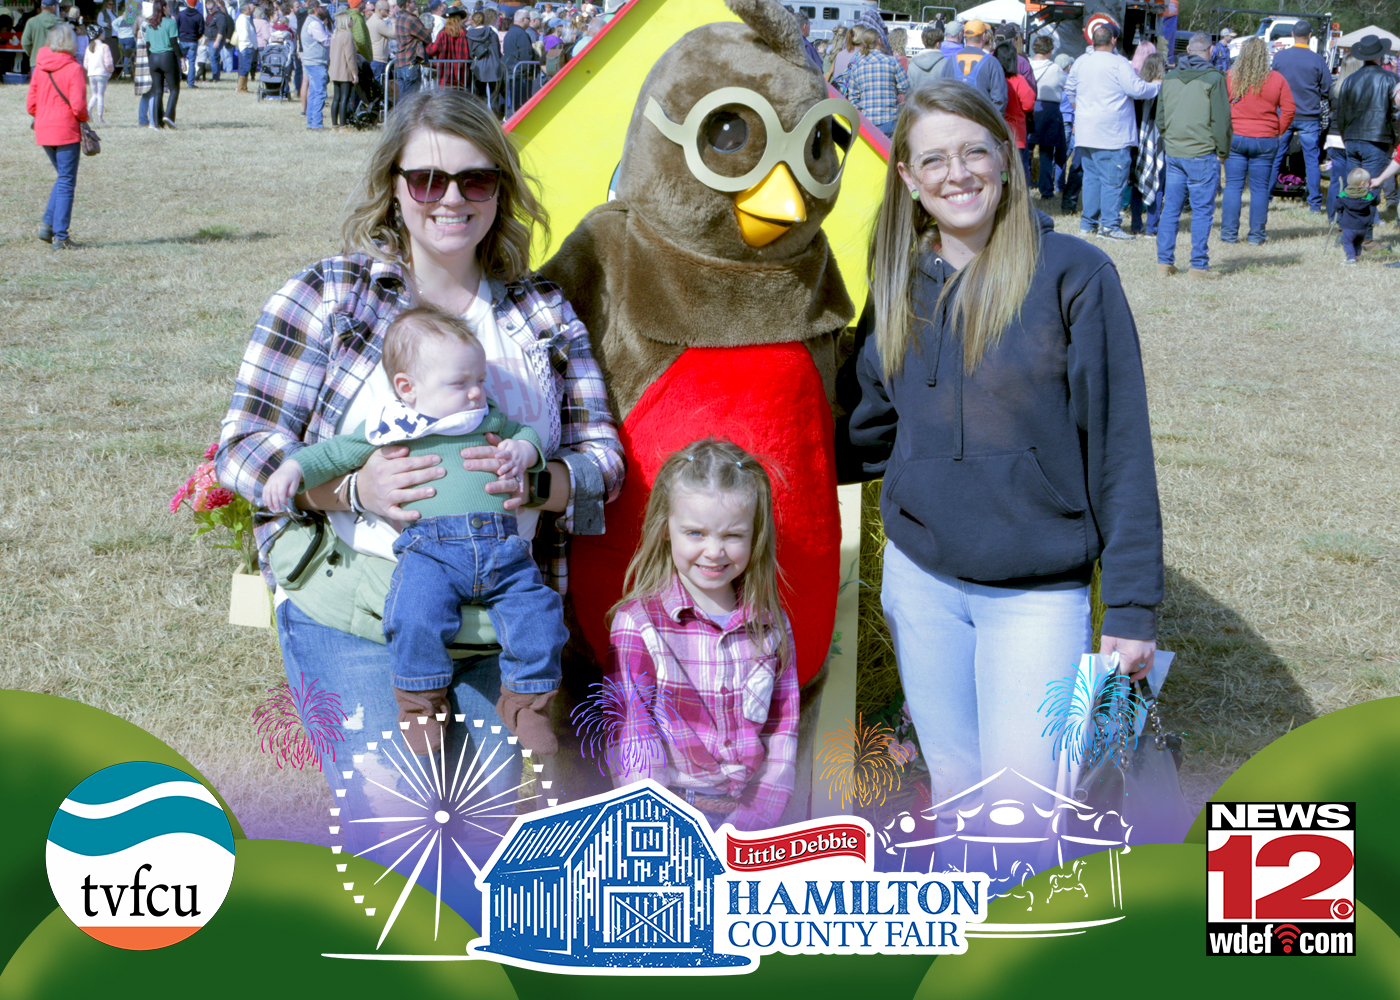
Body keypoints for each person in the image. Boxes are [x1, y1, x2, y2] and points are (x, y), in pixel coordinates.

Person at [216, 88, 623, 864]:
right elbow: (243, 446)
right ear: (393, 187)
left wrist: (539, 483)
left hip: (500, 616)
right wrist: (352, 489)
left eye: (476, 179)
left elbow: (601, 457)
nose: (452, 199)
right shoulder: (332, 295)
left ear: (501, 190)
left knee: (490, 827)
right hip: (358, 610)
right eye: (428, 179)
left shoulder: (541, 314)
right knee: (400, 826)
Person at [840, 79, 1161, 828]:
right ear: (908, 178)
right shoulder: (896, 282)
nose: (957, 174)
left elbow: (1120, 448)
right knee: (956, 790)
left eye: (973, 153)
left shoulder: (1074, 275)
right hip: (921, 584)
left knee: (1025, 808)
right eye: (934, 160)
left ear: (1006, 159)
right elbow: (867, 431)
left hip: (1035, 593)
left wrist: (1133, 605)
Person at [262, 306, 564, 757]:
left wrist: (524, 450)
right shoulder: (392, 428)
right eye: (460, 383)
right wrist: (291, 470)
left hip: (503, 549)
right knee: (413, 616)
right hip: (430, 551)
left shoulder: (487, 419)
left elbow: (526, 434)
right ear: (408, 388)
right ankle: (421, 706)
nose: (477, 392)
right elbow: (332, 454)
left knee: (539, 615)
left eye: (480, 379)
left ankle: (527, 704)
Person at [605, 439, 797, 832]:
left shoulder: (771, 626)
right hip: (667, 817)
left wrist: (752, 823)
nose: (714, 551)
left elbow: (782, 732)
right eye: (695, 533)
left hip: (751, 821)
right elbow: (634, 737)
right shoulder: (638, 624)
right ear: (666, 529)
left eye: (732, 535)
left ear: (755, 535)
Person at [1062, 23, 1160, 239]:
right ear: (1113, 40)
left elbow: (1069, 90)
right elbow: (1136, 89)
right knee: (1113, 181)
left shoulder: (1081, 61)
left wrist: (1082, 112)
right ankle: (1109, 226)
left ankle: (1088, 224)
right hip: (1112, 134)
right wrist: (1157, 85)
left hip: (1086, 132)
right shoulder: (1119, 63)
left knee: (1091, 179)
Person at [1156, 32, 1230, 278]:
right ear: (1211, 50)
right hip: (1202, 153)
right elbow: (1221, 120)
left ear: (1188, 50)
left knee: (1171, 209)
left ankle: (1164, 263)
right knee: (1202, 211)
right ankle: (1198, 266)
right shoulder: (1214, 77)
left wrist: (1171, 140)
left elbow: (1160, 118)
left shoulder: (1169, 76)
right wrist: (1222, 152)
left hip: (1174, 152)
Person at [1221, 36, 1294, 246]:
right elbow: (1289, 109)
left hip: (1236, 137)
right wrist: (1279, 130)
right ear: (1265, 56)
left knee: (1233, 187)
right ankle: (1256, 236)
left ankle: (1228, 235)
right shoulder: (1277, 79)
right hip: (1266, 138)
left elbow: (1221, 106)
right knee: (1260, 189)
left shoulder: (1230, 76)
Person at [28, 22, 88, 250]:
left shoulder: (40, 67)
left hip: (44, 129)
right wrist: (85, 119)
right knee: (66, 181)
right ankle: (60, 237)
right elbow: (78, 106)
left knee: (63, 178)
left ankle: (48, 226)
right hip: (66, 130)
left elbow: (31, 104)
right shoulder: (74, 68)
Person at [1335, 34, 1399, 247]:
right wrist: (1395, 141)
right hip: (1376, 140)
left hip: (1352, 139)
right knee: (1370, 189)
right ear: (1381, 55)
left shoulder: (1349, 80)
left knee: (1353, 188)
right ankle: (1366, 239)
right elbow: (1396, 115)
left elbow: (1340, 114)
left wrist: (1346, 138)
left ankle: (1346, 233)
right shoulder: (1391, 79)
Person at [1268, 20, 1329, 214]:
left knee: (1275, 156)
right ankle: (1314, 203)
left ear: (1293, 34)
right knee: (1311, 160)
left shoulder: (1280, 57)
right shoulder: (1317, 60)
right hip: (1309, 115)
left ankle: (1266, 197)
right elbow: (1327, 89)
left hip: (1283, 114)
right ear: (1310, 35)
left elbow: (1271, 84)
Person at [839, 24, 908, 139]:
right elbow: (905, 86)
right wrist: (893, 91)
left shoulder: (857, 66)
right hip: (889, 117)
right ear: (879, 41)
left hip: (868, 120)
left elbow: (853, 97)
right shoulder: (892, 61)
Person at [939, 17, 1006, 115]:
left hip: (955, 119)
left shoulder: (951, 61)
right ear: (983, 36)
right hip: (981, 121)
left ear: (964, 36)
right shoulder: (992, 63)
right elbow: (999, 100)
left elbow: (942, 94)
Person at [1027, 33, 1066, 199]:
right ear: (1050, 49)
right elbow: (1063, 85)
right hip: (1050, 110)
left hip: (1029, 108)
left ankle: (1025, 185)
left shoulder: (1026, 64)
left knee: (1026, 151)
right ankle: (1046, 190)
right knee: (1046, 153)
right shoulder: (1055, 68)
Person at [996, 40, 1035, 180]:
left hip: (996, 131)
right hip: (1016, 133)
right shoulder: (1019, 80)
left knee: (999, 170)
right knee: (1017, 172)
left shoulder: (993, 78)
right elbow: (1028, 104)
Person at [144, 0, 180, 127]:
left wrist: (150, 59)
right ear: (163, 8)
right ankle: (168, 116)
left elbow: (147, 46)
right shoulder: (171, 22)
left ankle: (156, 121)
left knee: (157, 91)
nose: (169, 8)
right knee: (174, 89)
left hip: (153, 58)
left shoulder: (150, 25)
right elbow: (174, 43)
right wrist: (181, 57)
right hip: (167, 57)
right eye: (168, 6)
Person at [1335, 167, 1376, 264]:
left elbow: (1337, 205)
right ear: (1363, 184)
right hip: (1363, 226)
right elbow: (1376, 201)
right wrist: (1370, 190)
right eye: (1369, 182)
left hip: (1349, 225)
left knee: (1348, 242)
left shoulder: (1344, 194)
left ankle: (1351, 258)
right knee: (1358, 242)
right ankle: (1357, 256)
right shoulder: (1369, 195)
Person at [299, 2, 329, 129]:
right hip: (316, 61)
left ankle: (311, 122)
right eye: (322, 7)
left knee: (313, 92)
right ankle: (316, 123)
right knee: (319, 93)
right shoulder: (314, 23)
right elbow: (325, 41)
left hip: (312, 61)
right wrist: (336, 39)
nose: (325, 9)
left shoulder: (310, 21)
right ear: (316, 8)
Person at [467, 8, 502, 114]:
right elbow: (497, 50)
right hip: (494, 66)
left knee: (480, 96)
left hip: (479, 67)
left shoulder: (470, 35)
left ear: (473, 21)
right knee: (494, 96)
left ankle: (480, 116)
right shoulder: (492, 33)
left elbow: (470, 53)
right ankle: (496, 118)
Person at [391, 0, 428, 100]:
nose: (415, 3)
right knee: (411, 100)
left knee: (402, 99)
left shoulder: (399, 18)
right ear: (407, 3)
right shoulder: (411, 19)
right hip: (410, 63)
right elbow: (427, 37)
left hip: (400, 63)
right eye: (413, 1)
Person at [426, 6, 469, 88]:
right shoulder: (465, 33)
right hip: (461, 74)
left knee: (445, 95)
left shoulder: (443, 33)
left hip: (445, 73)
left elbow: (433, 49)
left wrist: (422, 49)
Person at [327, 5, 355, 127]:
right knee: (344, 98)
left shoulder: (335, 34)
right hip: (345, 70)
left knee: (336, 98)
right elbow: (350, 56)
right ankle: (343, 125)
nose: (352, 21)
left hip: (335, 70)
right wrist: (354, 72)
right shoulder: (347, 35)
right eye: (350, 18)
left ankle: (335, 124)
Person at [82, 17, 111, 119]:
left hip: (91, 74)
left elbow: (85, 64)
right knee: (100, 95)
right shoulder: (104, 47)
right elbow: (108, 63)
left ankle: (89, 110)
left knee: (94, 94)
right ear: (99, 34)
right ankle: (100, 117)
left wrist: (90, 70)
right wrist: (110, 71)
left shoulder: (88, 48)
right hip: (102, 74)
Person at [20, 0, 61, 69]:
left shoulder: (31, 22)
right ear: (53, 7)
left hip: (37, 61)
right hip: (55, 62)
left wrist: (33, 54)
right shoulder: (60, 23)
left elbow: (25, 43)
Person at [907, 25, 944, 93]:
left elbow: (910, 90)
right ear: (938, 44)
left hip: (918, 98)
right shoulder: (945, 64)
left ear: (923, 42)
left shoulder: (912, 65)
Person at [175, 0, 202, 87]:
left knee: (179, 60)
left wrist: (179, 35)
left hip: (183, 40)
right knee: (192, 62)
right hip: (193, 41)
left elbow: (177, 26)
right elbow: (201, 30)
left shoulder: (181, 14)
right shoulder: (199, 15)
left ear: (187, 3)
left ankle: (177, 80)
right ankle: (190, 83)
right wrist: (196, 37)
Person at [366, 0, 392, 83]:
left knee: (374, 85)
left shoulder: (370, 21)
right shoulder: (379, 23)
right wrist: (394, 19)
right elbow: (394, 34)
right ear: (380, 10)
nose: (389, 12)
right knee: (379, 85)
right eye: (387, 10)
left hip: (373, 58)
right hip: (379, 60)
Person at [234, 0, 255, 88]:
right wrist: (250, 44)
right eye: (248, 9)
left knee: (245, 67)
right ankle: (240, 87)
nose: (250, 11)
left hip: (247, 46)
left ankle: (244, 87)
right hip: (246, 46)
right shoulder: (243, 19)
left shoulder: (246, 19)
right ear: (243, 11)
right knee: (245, 67)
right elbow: (245, 34)